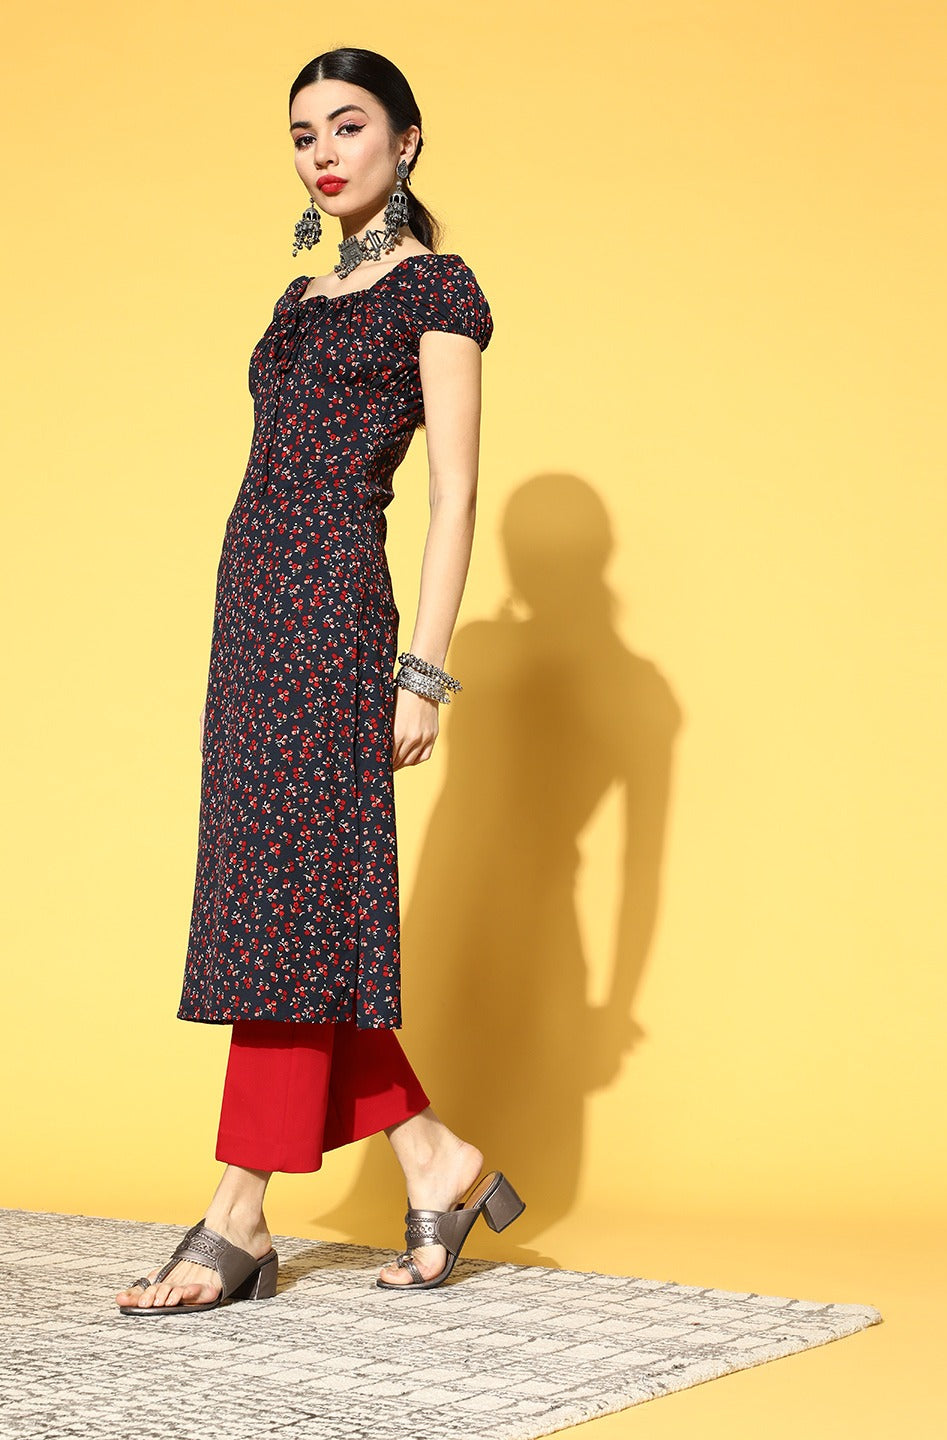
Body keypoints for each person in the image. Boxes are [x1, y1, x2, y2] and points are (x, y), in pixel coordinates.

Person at [115, 47, 524, 1316]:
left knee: (290, 909)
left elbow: (455, 493)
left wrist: (425, 671)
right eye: (304, 134)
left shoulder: (438, 288)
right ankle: (437, 1161)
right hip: (251, 614)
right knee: (279, 903)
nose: (324, 153)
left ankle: (237, 1213)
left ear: (408, 140)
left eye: (349, 126)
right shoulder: (297, 299)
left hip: (336, 614)